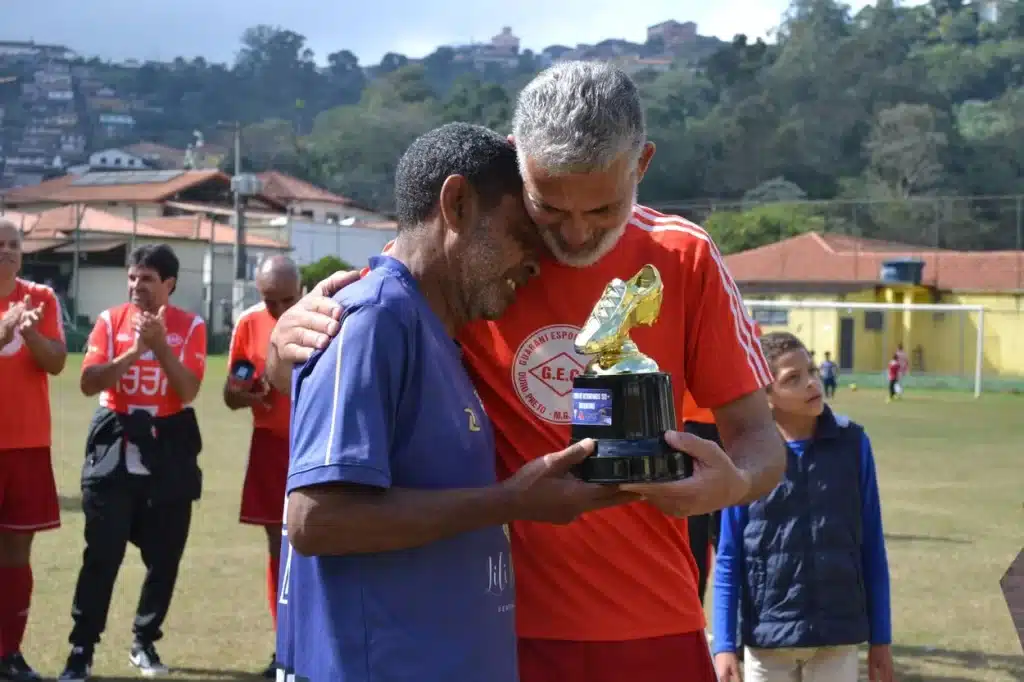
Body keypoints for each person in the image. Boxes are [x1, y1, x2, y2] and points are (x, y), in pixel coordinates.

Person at [269, 62, 786, 682]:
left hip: (652, 621)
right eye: (549, 208)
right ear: (519, 160)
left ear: (641, 165)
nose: (576, 233)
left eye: (603, 208)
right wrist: (281, 344)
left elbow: (759, 438)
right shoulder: (474, 261)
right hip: (496, 630)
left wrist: (732, 485)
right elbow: (339, 362)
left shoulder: (683, 255)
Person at [275, 122, 642, 682]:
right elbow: (317, 520)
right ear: (458, 205)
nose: (537, 262)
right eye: (522, 233)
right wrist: (509, 502)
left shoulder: (437, 336)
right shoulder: (375, 320)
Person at [60, 244, 207, 682]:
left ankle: (144, 641)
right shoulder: (110, 321)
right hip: (115, 437)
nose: (136, 285)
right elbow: (89, 383)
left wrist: (160, 348)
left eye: (147, 278)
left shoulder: (191, 326)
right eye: (132, 277)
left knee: (165, 556)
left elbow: (188, 390)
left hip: (169, 441)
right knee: (101, 555)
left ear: (169, 284)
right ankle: (81, 650)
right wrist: (133, 352)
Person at [712, 331, 893, 682]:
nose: (811, 383)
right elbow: (729, 556)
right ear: (766, 396)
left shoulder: (854, 444)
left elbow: (872, 545)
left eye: (810, 370)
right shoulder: (744, 455)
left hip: (837, 637)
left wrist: (881, 638)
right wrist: (724, 645)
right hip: (767, 641)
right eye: (792, 378)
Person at [223, 255, 301, 678]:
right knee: (279, 547)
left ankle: (313, 643)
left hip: (314, 441)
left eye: (287, 299)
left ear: (301, 289)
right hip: (271, 445)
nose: (280, 310)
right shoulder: (249, 323)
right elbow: (231, 392)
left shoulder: (323, 316)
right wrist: (248, 394)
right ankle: (283, 645)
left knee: (319, 543)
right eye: (271, 301)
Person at [0, 218, 67, 682]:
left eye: (13, 244)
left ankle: (9, 652)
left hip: (27, 446)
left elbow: (58, 362)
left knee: (16, 553)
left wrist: (29, 334)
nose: (6, 250)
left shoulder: (41, 298)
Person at [679, 323, 763, 609]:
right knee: (696, 532)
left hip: (731, 428)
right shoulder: (688, 324)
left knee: (732, 529)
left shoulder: (745, 326)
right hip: (694, 429)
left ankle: (739, 616)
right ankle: (696, 612)